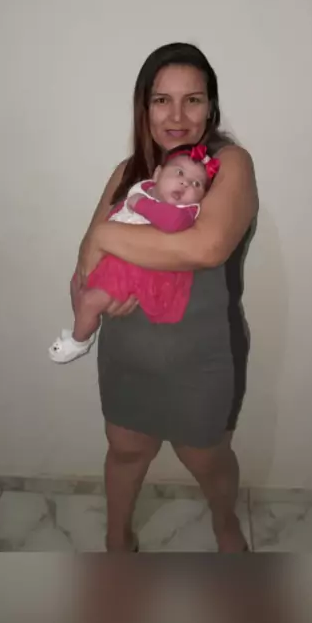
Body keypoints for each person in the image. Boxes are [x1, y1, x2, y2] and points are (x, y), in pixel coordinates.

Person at [74, 41, 258, 553]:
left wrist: (105, 236)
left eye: (192, 100)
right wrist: (86, 296)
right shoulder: (127, 173)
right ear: (144, 107)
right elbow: (83, 266)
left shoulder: (229, 165)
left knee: (208, 460)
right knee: (125, 452)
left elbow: (206, 247)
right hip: (127, 354)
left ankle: (225, 525)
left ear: (211, 106)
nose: (177, 116)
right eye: (162, 100)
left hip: (202, 358)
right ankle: (117, 542)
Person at [48, 143, 221, 363]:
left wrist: (141, 205)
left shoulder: (184, 212)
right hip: (115, 261)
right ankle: (81, 325)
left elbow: (173, 223)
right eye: (179, 173)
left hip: (144, 271)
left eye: (196, 184)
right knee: (79, 288)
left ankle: (79, 341)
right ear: (157, 174)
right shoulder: (142, 188)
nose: (185, 183)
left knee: (91, 301)